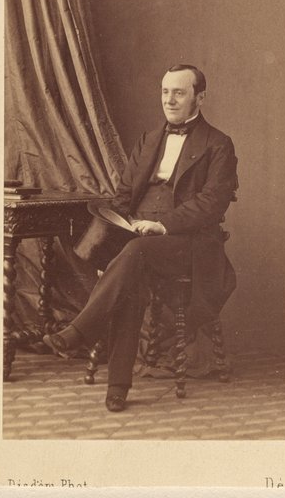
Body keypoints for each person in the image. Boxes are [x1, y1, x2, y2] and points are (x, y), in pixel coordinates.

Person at [44, 64, 238, 411]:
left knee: (135, 255)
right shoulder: (148, 140)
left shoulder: (218, 144)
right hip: (139, 240)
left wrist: (163, 226)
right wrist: (115, 234)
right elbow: (123, 196)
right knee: (131, 265)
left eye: (179, 92)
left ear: (200, 97)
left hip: (188, 244)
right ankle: (117, 388)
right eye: (165, 92)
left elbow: (211, 203)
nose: (169, 100)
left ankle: (79, 332)